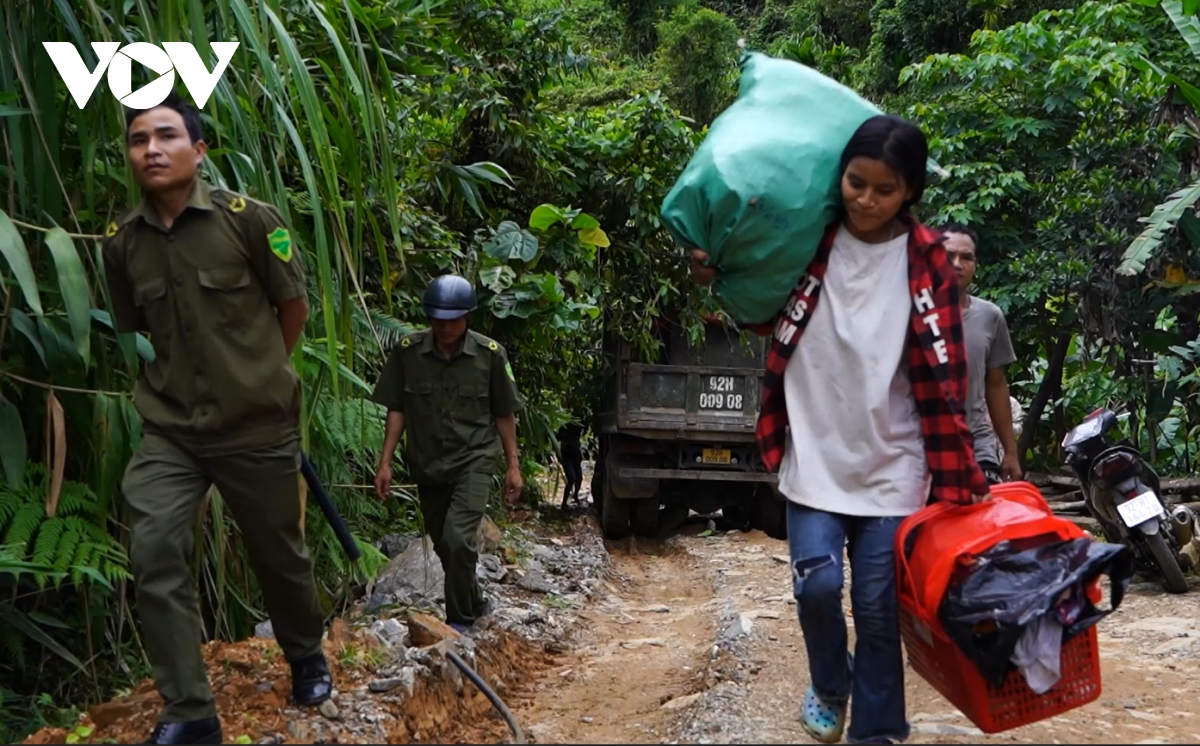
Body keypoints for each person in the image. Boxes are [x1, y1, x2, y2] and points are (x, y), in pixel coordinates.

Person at [689, 114, 989, 745]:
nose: (867, 200)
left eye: (885, 190)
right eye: (856, 183)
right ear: (841, 178)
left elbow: (946, 372)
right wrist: (715, 271)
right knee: (818, 588)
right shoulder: (808, 238)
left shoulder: (927, 259)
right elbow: (759, 307)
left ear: (909, 191)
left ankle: (877, 732)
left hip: (894, 463)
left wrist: (958, 472)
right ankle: (830, 682)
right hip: (815, 455)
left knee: (879, 610)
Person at [101, 93, 331, 745]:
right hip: (173, 429)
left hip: (255, 424)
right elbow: (139, 329)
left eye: (167, 135)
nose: (152, 148)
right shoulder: (121, 245)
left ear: (197, 150)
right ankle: (191, 712)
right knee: (152, 549)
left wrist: (256, 376)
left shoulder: (251, 221)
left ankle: (306, 651)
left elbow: (292, 310)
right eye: (139, 139)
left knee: (278, 555)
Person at [371, 274, 524, 632]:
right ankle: (474, 599)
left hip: (474, 459)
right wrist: (385, 463)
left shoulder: (489, 355)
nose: (444, 327)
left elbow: (504, 413)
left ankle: (459, 622)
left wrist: (513, 466)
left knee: (458, 539)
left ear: (467, 318)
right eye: (437, 320)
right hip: (427, 463)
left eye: (452, 320)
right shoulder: (408, 353)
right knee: (444, 546)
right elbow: (397, 408)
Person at [938, 222, 1023, 484]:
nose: (957, 263)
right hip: (921, 447)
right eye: (948, 255)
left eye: (966, 257)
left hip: (977, 443)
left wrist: (1010, 451)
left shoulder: (990, 316)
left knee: (983, 521)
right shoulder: (906, 314)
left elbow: (995, 385)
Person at [557, 422, 585, 510]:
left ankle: (575, 496)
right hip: (567, 456)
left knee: (579, 478)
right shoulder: (564, 427)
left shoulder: (578, 427)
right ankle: (564, 503)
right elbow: (557, 439)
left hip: (575, 456)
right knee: (572, 478)